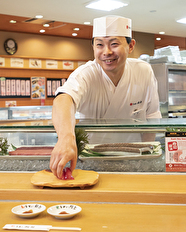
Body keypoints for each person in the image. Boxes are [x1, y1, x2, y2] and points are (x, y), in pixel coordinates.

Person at [50, 15, 161, 178]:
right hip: (91, 160)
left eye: (114, 44)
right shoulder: (86, 73)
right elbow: (63, 99)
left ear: (131, 46)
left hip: (134, 159)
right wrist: (66, 138)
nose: (107, 52)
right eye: (99, 45)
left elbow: (151, 116)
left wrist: (145, 157)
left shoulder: (143, 71)